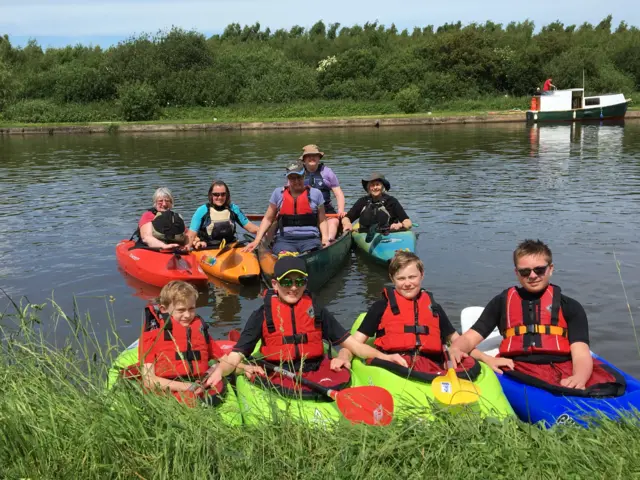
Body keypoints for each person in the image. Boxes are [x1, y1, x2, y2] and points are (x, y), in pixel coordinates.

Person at [204, 256, 408, 390]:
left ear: (306, 283)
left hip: (315, 370)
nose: (293, 288)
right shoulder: (262, 314)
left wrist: (385, 356)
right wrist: (220, 371)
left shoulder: (316, 310)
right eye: (286, 282)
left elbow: (354, 346)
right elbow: (236, 354)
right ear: (275, 284)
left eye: (299, 281)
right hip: (278, 373)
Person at [449, 239, 623, 394]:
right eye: (525, 272)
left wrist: (580, 377)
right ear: (517, 273)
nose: (532, 276)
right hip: (517, 369)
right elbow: (469, 339)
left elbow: (581, 353)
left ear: (550, 269)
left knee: (611, 386)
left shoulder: (571, 307)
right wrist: (462, 350)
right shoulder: (501, 303)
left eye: (539, 270)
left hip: (562, 367)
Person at [336, 251, 481, 376]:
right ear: (392, 279)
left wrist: (486, 358)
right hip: (393, 365)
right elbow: (354, 343)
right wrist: (343, 356)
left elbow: (458, 341)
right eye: (401, 278)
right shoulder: (381, 307)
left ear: (422, 275)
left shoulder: (434, 308)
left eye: (412, 277)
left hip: (430, 368)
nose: (407, 283)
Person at [138, 281, 226, 405]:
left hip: (200, 386)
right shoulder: (152, 334)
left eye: (191, 309)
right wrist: (188, 387)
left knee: (217, 368)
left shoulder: (199, 329)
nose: (187, 315)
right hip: (168, 391)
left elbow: (225, 360)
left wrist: (217, 370)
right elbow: (149, 380)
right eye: (181, 310)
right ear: (164, 309)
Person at [244, 161, 329, 254]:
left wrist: (325, 239)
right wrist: (257, 240)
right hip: (285, 240)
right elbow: (268, 219)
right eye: (292, 178)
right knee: (284, 255)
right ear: (287, 178)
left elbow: (322, 220)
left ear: (304, 175)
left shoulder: (316, 194)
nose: (296, 181)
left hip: (310, 239)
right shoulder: (278, 193)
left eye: (299, 177)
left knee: (311, 253)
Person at [186, 180, 258, 249]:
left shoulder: (233, 209)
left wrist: (266, 231)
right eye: (216, 194)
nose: (220, 197)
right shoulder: (202, 210)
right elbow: (191, 235)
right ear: (211, 195)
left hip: (230, 247)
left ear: (227, 195)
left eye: (223, 194)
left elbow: (251, 228)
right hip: (207, 248)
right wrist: (186, 248)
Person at [300, 144, 346, 242]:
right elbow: (287, 193)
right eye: (308, 156)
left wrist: (340, 210)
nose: (312, 158)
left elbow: (338, 193)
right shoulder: (297, 173)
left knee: (334, 222)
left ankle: (328, 242)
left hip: (326, 210)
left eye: (315, 155)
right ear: (304, 159)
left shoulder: (327, 172)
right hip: (304, 210)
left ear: (319, 158)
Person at [341, 172, 412, 234]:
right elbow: (346, 218)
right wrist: (347, 224)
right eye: (372, 185)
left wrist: (400, 225)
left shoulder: (392, 201)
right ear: (369, 188)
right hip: (366, 234)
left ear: (382, 187)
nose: (375, 187)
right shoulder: (362, 201)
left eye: (377, 184)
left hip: (389, 233)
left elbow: (407, 222)